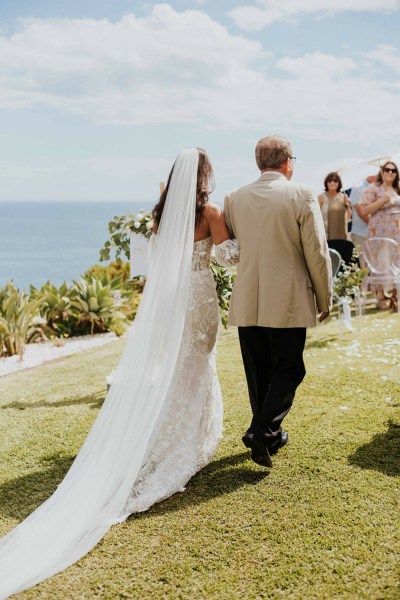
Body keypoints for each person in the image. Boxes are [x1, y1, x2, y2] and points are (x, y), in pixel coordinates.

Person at [0, 148, 238, 597]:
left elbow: (149, 266)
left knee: (178, 370)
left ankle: (175, 435)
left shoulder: (161, 214)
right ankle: (186, 443)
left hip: (171, 303)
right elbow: (228, 259)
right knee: (197, 366)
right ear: (206, 175)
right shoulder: (209, 210)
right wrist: (243, 239)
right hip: (200, 298)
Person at [223, 135, 332, 468]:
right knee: (289, 369)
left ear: (259, 163)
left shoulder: (234, 198)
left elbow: (234, 249)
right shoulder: (301, 194)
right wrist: (324, 295)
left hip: (247, 299)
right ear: (288, 163)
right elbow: (316, 251)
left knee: (258, 371)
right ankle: (260, 430)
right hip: (287, 298)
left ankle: (269, 435)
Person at [359, 161, 400, 310]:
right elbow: (364, 211)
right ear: (381, 171)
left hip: (398, 234)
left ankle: (396, 297)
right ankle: (381, 298)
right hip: (380, 233)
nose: (390, 173)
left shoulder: (398, 188)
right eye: (387, 169)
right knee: (381, 264)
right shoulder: (373, 188)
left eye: (393, 170)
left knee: (397, 264)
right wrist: (382, 200)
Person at [318, 172, 352, 241]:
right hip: (326, 236)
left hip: (342, 235)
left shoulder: (343, 197)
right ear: (326, 183)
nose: (332, 183)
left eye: (335, 181)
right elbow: (316, 216)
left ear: (339, 183)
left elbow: (349, 217)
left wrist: (347, 205)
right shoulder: (321, 197)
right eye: (330, 181)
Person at [349, 175, 376, 248]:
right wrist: (379, 226)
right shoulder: (358, 188)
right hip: (361, 236)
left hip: (379, 236)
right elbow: (362, 213)